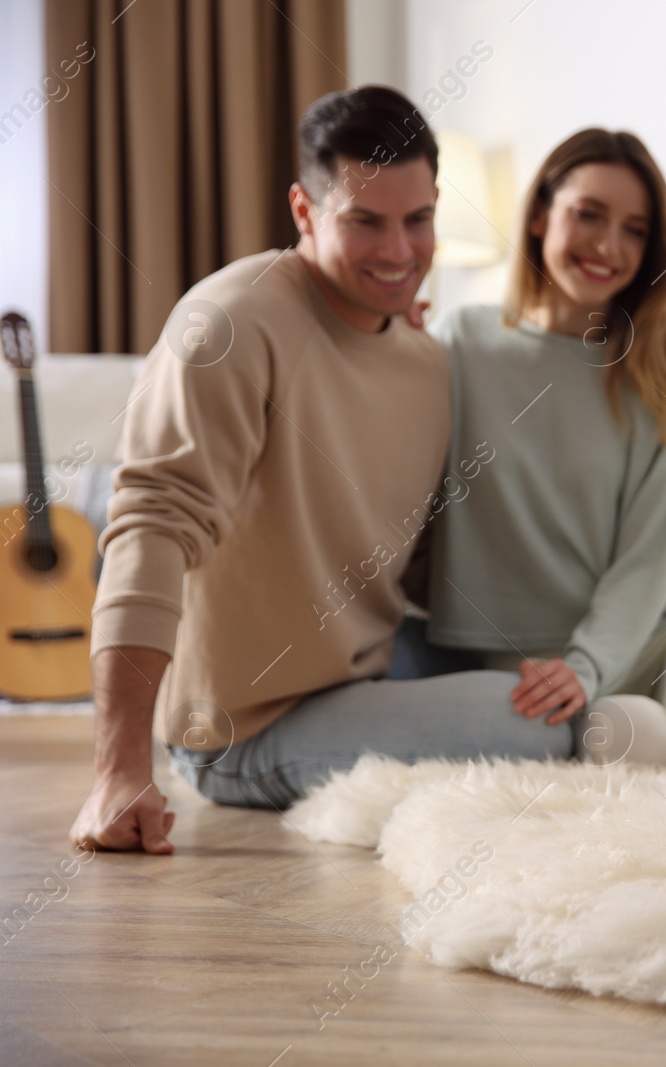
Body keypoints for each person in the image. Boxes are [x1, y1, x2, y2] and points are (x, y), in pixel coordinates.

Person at [69, 86, 575, 855]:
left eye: (418, 220)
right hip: (241, 723)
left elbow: (422, 551)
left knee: (562, 679)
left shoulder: (424, 358)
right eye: (363, 221)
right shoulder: (228, 323)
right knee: (545, 726)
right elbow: (151, 525)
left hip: (360, 662)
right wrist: (118, 769)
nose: (399, 252)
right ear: (304, 212)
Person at [391, 127, 666, 770]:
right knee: (635, 743)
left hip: (662, 630)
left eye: (634, 229)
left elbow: (651, 556)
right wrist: (392, 351)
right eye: (587, 214)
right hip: (524, 651)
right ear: (539, 214)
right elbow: (395, 474)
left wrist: (592, 663)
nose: (608, 246)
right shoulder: (461, 344)